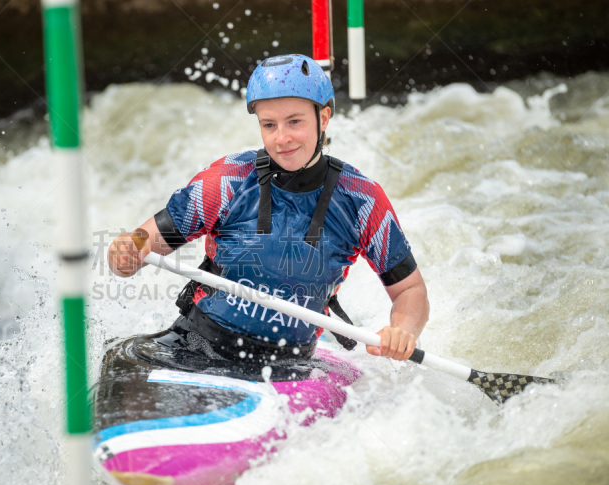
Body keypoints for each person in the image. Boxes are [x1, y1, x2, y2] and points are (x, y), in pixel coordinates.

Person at [107, 54, 428, 362]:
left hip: (289, 365)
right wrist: (125, 251)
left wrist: (402, 331)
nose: (282, 138)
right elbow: (143, 243)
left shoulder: (362, 200)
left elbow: (410, 290)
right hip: (193, 346)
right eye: (269, 125)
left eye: (294, 122)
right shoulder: (227, 180)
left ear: (324, 118)